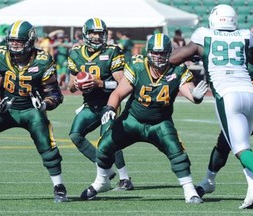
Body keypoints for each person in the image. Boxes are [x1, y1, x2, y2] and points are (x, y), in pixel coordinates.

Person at [80, 33, 208, 204]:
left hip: (160, 123)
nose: (158, 56)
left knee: (177, 153)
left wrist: (197, 96)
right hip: (133, 120)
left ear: (169, 53)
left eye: (162, 53)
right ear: (148, 52)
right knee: (104, 145)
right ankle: (101, 181)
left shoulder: (177, 69)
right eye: (155, 52)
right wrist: (110, 108)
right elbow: (118, 92)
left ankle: (189, 190)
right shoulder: (138, 65)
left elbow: (190, 94)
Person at [169, 4, 253, 209]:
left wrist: (200, 55)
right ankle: (252, 191)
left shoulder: (204, 35)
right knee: (242, 145)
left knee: (240, 148)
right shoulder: (245, 34)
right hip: (250, 94)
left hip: (227, 96)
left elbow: (175, 58)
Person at [0, 20, 68, 203]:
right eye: (12, 40)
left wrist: (44, 105)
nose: (14, 44)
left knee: (47, 147)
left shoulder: (42, 59)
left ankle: (59, 186)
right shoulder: (0, 56)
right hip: (5, 109)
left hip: (31, 110)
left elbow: (54, 93)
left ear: (30, 41)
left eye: (19, 40)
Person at [67, 17, 134, 190]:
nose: (96, 37)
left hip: (108, 103)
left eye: (99, 33)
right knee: (75, 135)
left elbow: (122, 83)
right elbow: (70, 85)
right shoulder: (75, 53)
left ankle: (125, 178)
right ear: (85, 34)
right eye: (92, 33)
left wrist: (100, 83)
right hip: (90, 104)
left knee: (109, 139)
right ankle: (105, 168)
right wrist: (75, 84)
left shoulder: (113, 51)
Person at [195, 65, 253, 209]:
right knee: (227, 142)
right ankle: (209, 181)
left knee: (238, 144)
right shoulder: (243, 59)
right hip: (249, 106)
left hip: (249, 107)